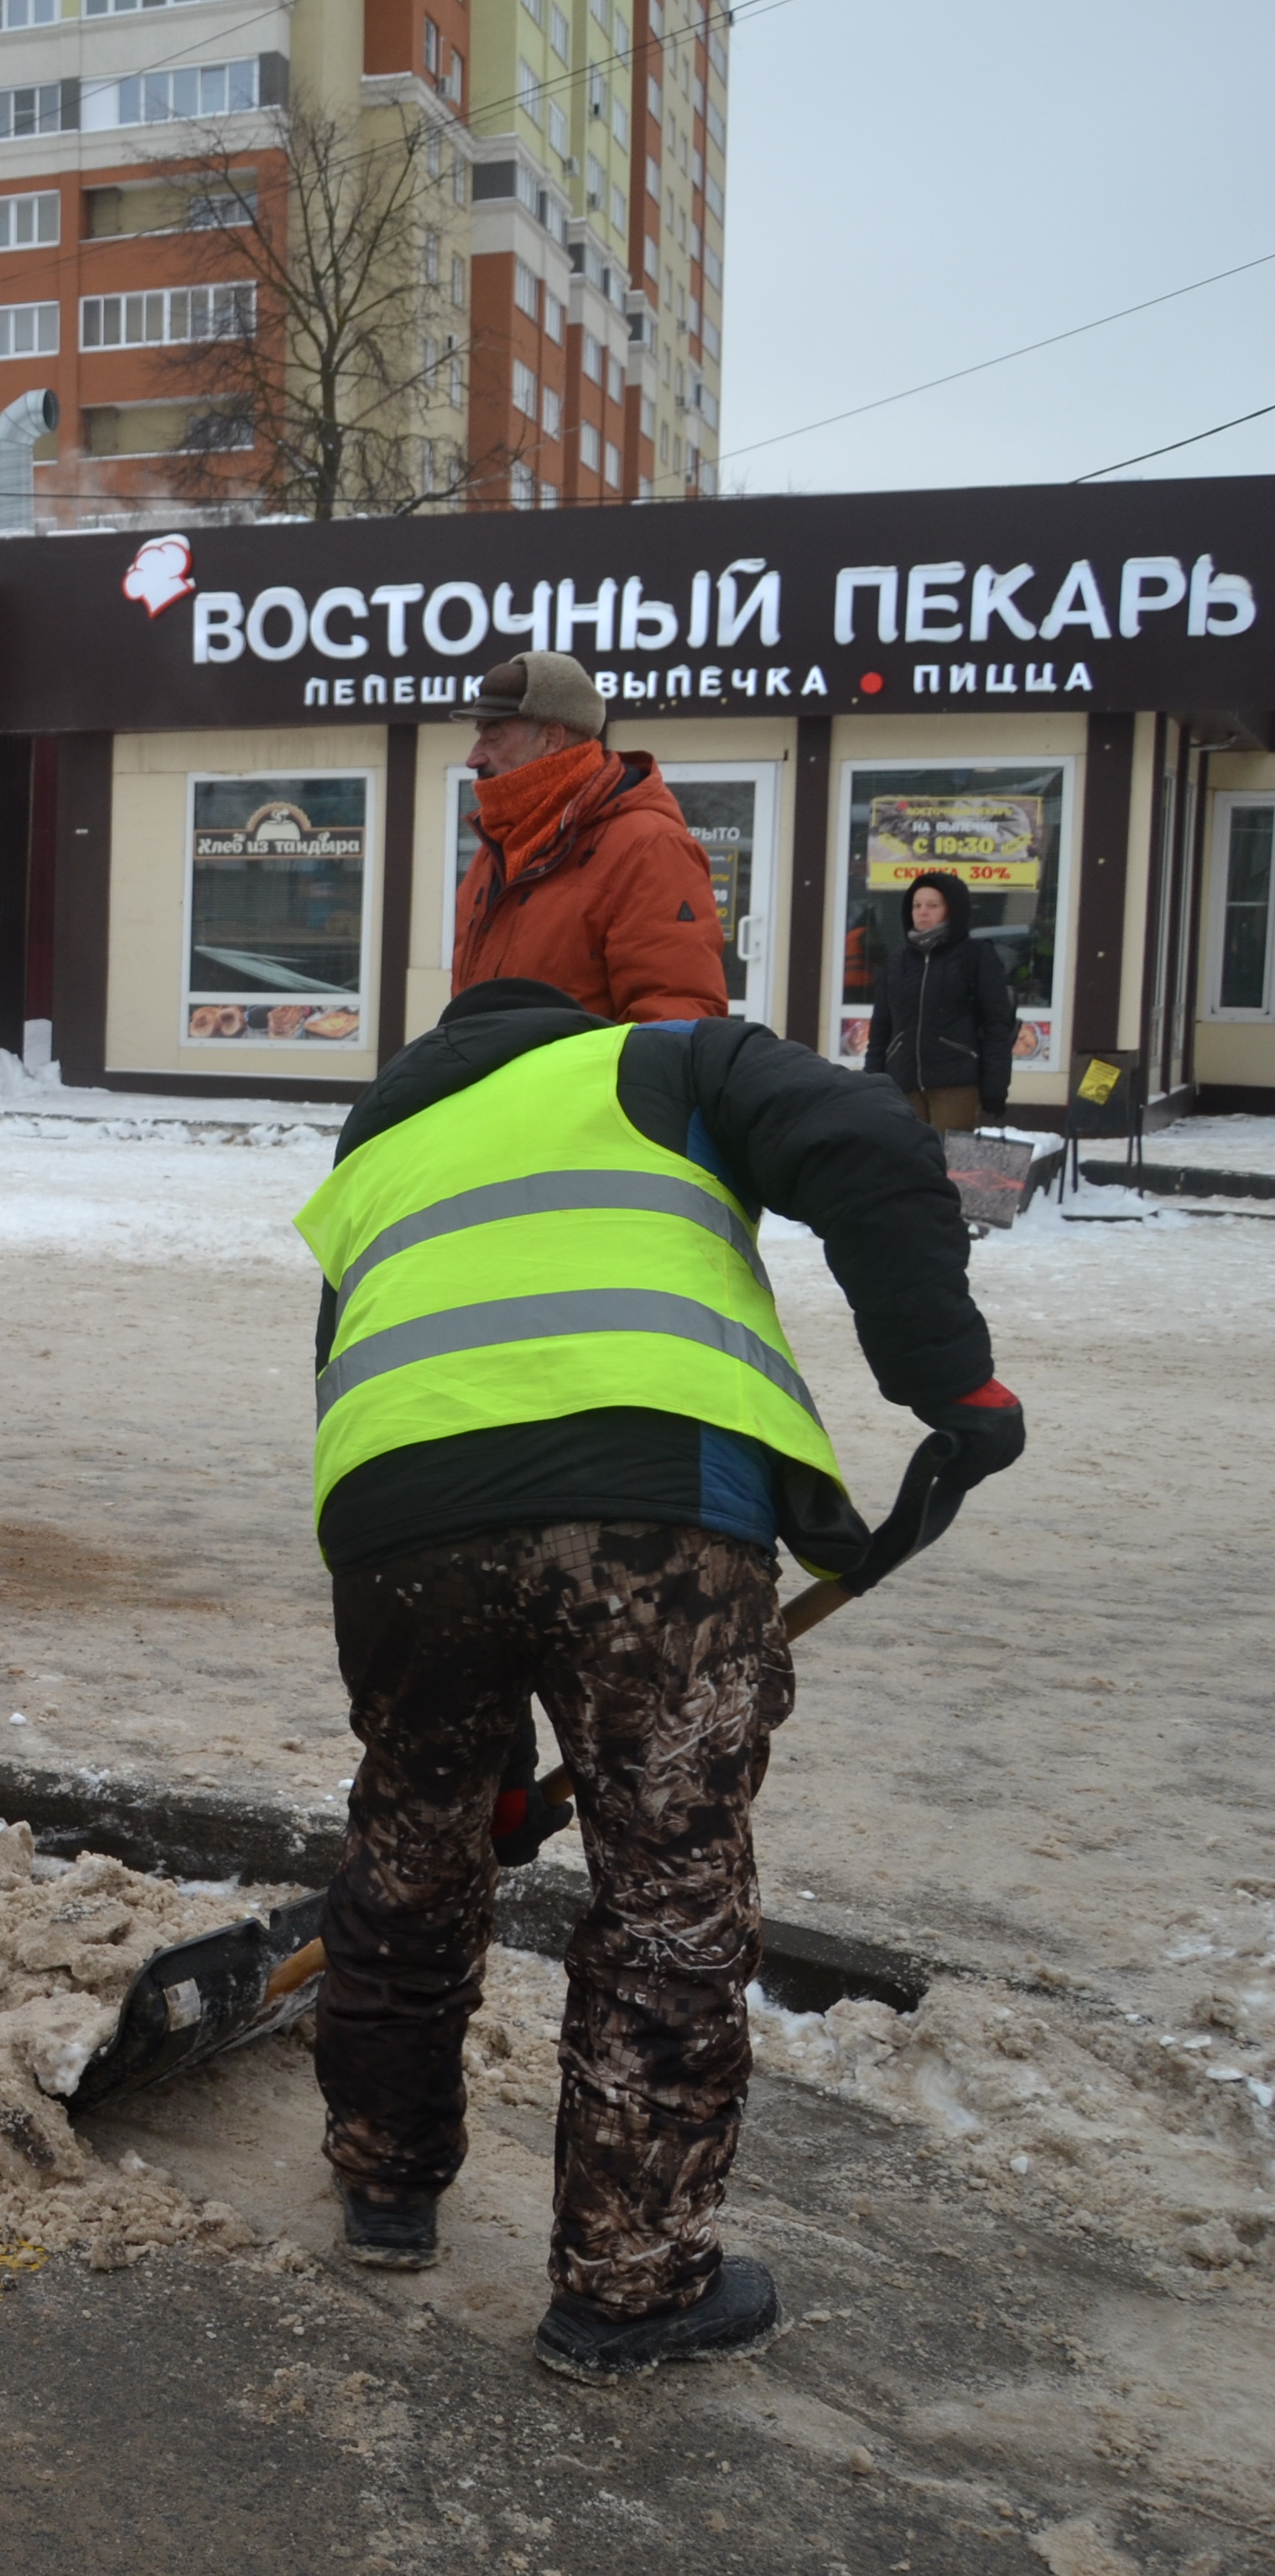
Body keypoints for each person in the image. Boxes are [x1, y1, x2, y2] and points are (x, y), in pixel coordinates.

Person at [294, 974, 1023, 2383]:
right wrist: (947, 1378)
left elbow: (400, 1396)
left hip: (390, 1527)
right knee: (663, 1890)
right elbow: (871, 1142)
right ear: (564, 1025)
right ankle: (625, 2284)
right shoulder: (664, 1059)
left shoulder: (377, 1150)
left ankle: (385, 2185)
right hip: (646, 1506)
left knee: (406, 1846)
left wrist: (486, 1779)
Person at [451, 653, 728, 1025]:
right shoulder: (503, 843)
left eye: (493, 735)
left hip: (583, 1085)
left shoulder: (649, 846)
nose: (474, 757)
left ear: (551, 739)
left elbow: (675, 1014)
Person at [861, 869, 1016, 1130]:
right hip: (902, 1082)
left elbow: (997, 1025)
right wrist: (872, 1081)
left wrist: (995, 1085)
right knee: (908, 1163)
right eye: (917, 905)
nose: (922, 912)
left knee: (950, 1165)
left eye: (933, 905)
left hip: (955, 1082)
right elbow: (881, 1027)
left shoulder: (975, 956)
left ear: (952, 910)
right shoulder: (898, 962)